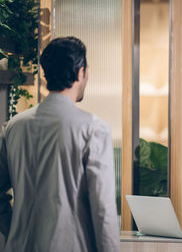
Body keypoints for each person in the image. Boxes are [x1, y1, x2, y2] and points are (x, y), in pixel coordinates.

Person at [0, 36, 120, 252]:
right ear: (81, 72)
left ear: (46, 74)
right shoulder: (93, 129)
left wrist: (15, 231)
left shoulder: (14, 127)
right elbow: (103, 211)